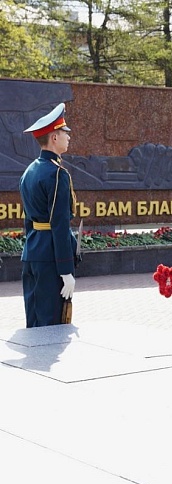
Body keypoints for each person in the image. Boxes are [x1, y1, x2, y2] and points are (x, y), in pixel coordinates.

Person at [19, 103, 78, 328]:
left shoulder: (29, 171)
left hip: (32, 254)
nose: (68, 137)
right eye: (65, 133)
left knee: (33, 324)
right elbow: (60, 224)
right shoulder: (57, 174)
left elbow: (28, 220)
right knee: (51, 327)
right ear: (54, 137)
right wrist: (66, 271)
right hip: (51, 259)